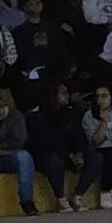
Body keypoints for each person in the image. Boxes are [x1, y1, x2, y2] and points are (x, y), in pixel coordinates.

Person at [26, 81, 84, 213]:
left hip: (69, 154)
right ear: (52, 96)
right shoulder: (37, 116)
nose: (67, 96)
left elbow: (79, 135)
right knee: (55, 161)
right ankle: (61, 198)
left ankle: (78, 195)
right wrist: (69, 154)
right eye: (63, 93)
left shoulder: (71, 113)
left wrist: (79, 152)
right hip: (46, 156)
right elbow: (42, 143)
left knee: (95, 158)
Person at [0, 90, 34, 215]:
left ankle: (27, 201)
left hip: (9, 156)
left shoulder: (16, 117)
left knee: (24, 157)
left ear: (3, 105)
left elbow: (17, 142)